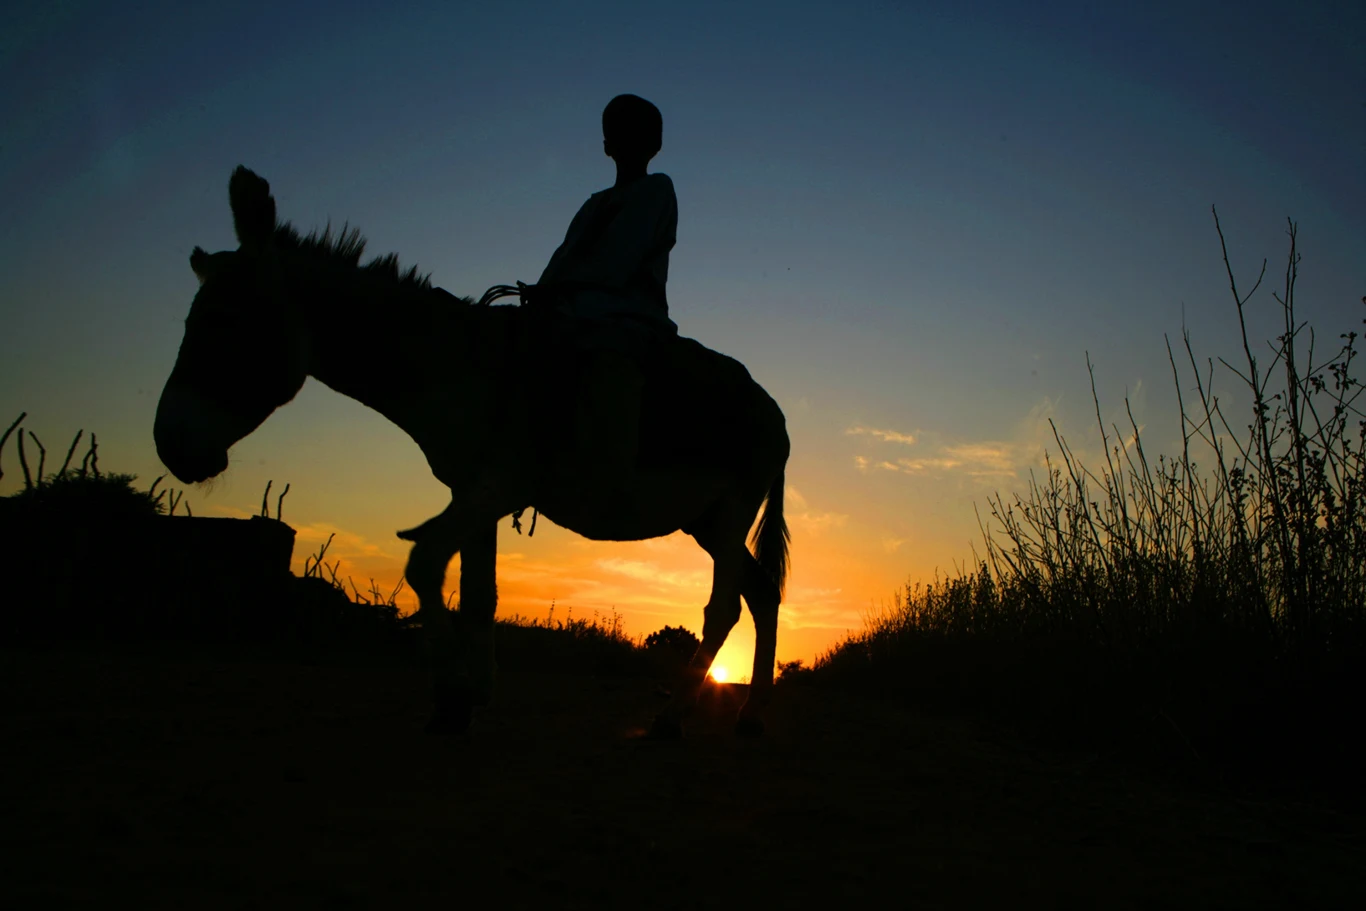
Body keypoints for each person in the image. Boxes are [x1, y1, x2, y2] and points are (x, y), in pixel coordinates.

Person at [527, 94, 679, 510]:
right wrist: (540, 291)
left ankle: (613, 475)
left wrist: (561, 290)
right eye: (614, 132)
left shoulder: (657, 190)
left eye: (633, 131)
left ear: (653, 144)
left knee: (611, 362)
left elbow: (621, 258)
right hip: (572, 306)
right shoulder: (593, 203)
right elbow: (564, 255)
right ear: (607, 144)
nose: (619, 140)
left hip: (628, 314)